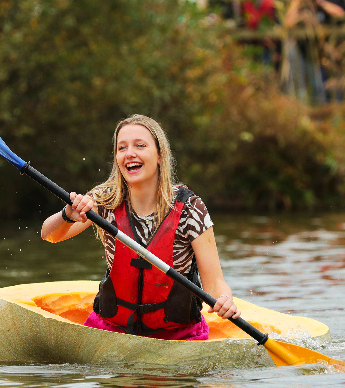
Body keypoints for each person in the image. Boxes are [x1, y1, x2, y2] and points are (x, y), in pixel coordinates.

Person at [41, 114, 240, 341]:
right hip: (112, 329)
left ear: (160, 155)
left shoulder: (190, 209)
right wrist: (68, 214)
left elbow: (214, 283)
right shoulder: (105, 200)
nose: (129, 154)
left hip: (177, 335)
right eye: (122, 148)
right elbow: (49, 235)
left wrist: (224, 299)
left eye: (140, 145)